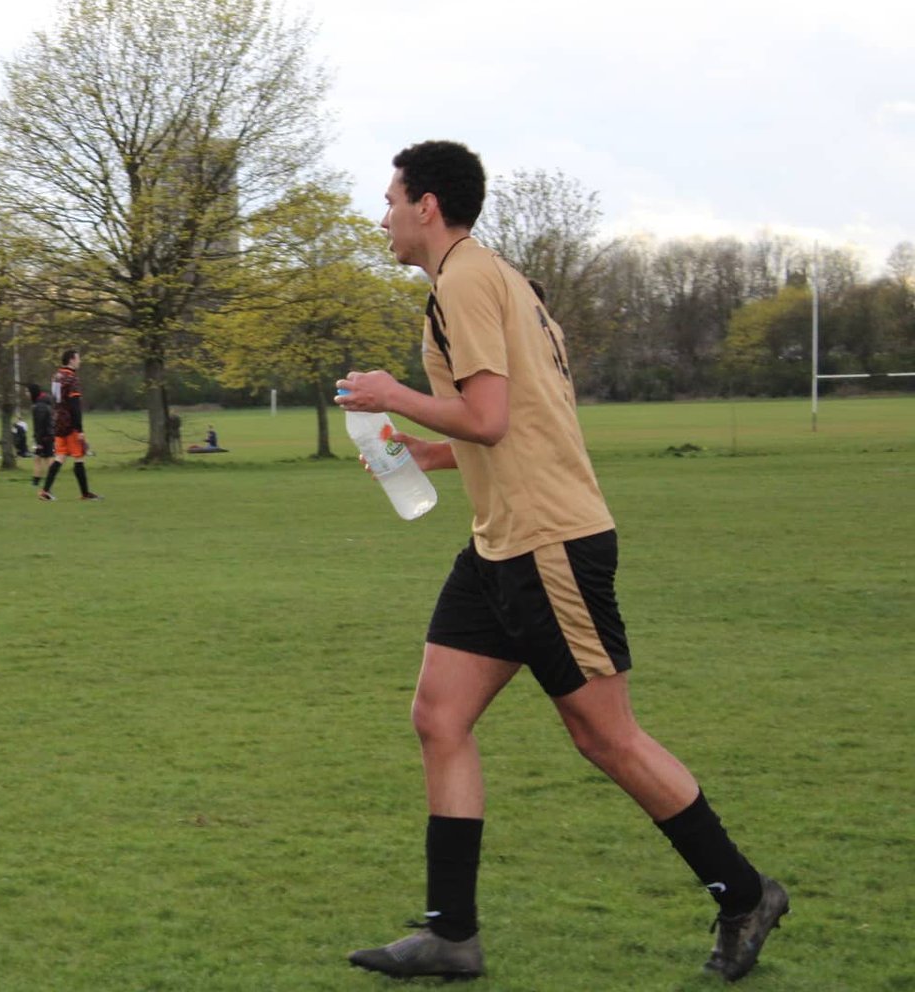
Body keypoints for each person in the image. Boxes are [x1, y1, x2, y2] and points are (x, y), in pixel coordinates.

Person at [335, 141, 788, 984]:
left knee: (605, 737)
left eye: (390, 198)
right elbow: (510, 421)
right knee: (439, 715)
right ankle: (452, 933)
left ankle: (744, 892)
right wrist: (426, 454)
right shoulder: (494, 280)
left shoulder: (466, 278)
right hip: (498, 540)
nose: (384, 215)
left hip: (549, 543)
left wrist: (391, 394)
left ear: (428, 204)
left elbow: (495, 416)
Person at [38, 348, 100, 502]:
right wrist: (79, 428)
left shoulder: (56, 376)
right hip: (70, 422)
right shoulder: (72, 378)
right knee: (79, 457)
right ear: (71, 359)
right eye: (78, 358)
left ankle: (45, 490)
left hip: (58, 421)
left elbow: (55, 399)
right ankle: (85, 493)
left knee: (60, 456)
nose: (80, 361)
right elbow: (74, 404)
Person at [27, 383, 54, 486]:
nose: (26, 394)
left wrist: (39, 440)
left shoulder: (39, 406)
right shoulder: (41, 403)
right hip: (46, 435)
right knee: (38, 458)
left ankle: (49, 479)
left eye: (27, 392)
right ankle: (36, 481)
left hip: (44, 436)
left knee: (47, 458)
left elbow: (40, 424)